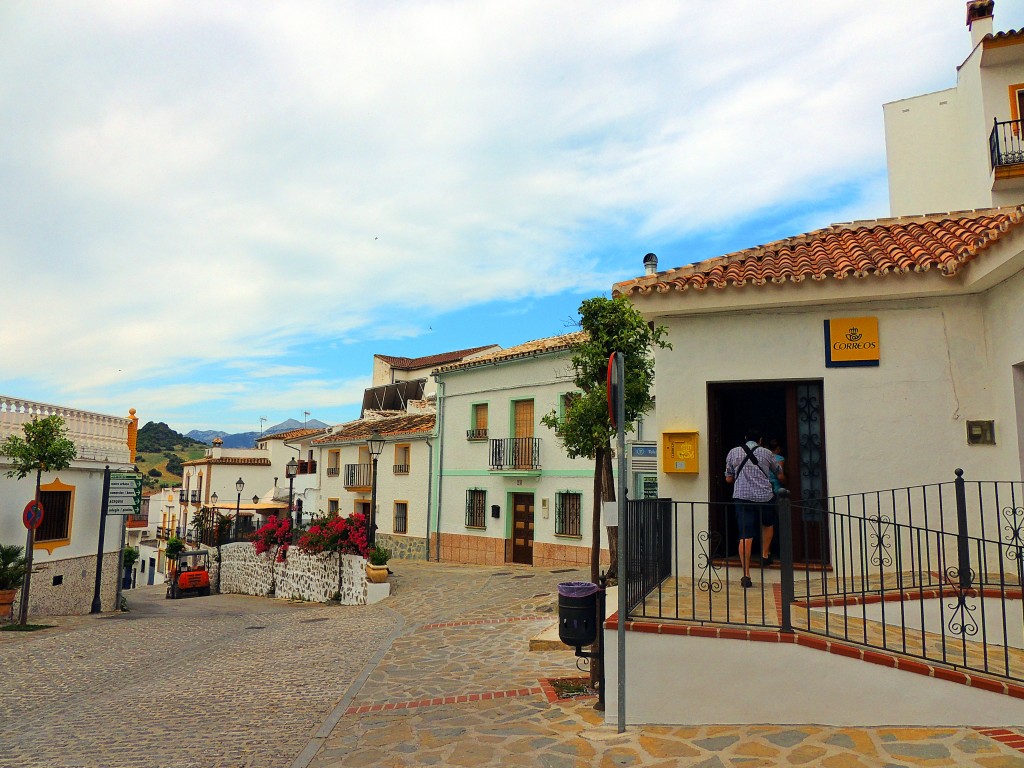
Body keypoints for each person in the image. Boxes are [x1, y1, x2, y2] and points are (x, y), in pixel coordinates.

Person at [725, 427, 782, 588]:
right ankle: (764, 555)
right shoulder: (767, 453)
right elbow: (778, 471)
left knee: (745, 534)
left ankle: (746, 575)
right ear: (761, 440)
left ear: (745, 437)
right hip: (764, 496)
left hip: (742, 498)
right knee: (768, 524)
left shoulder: (733, 452)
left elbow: (729, 478)